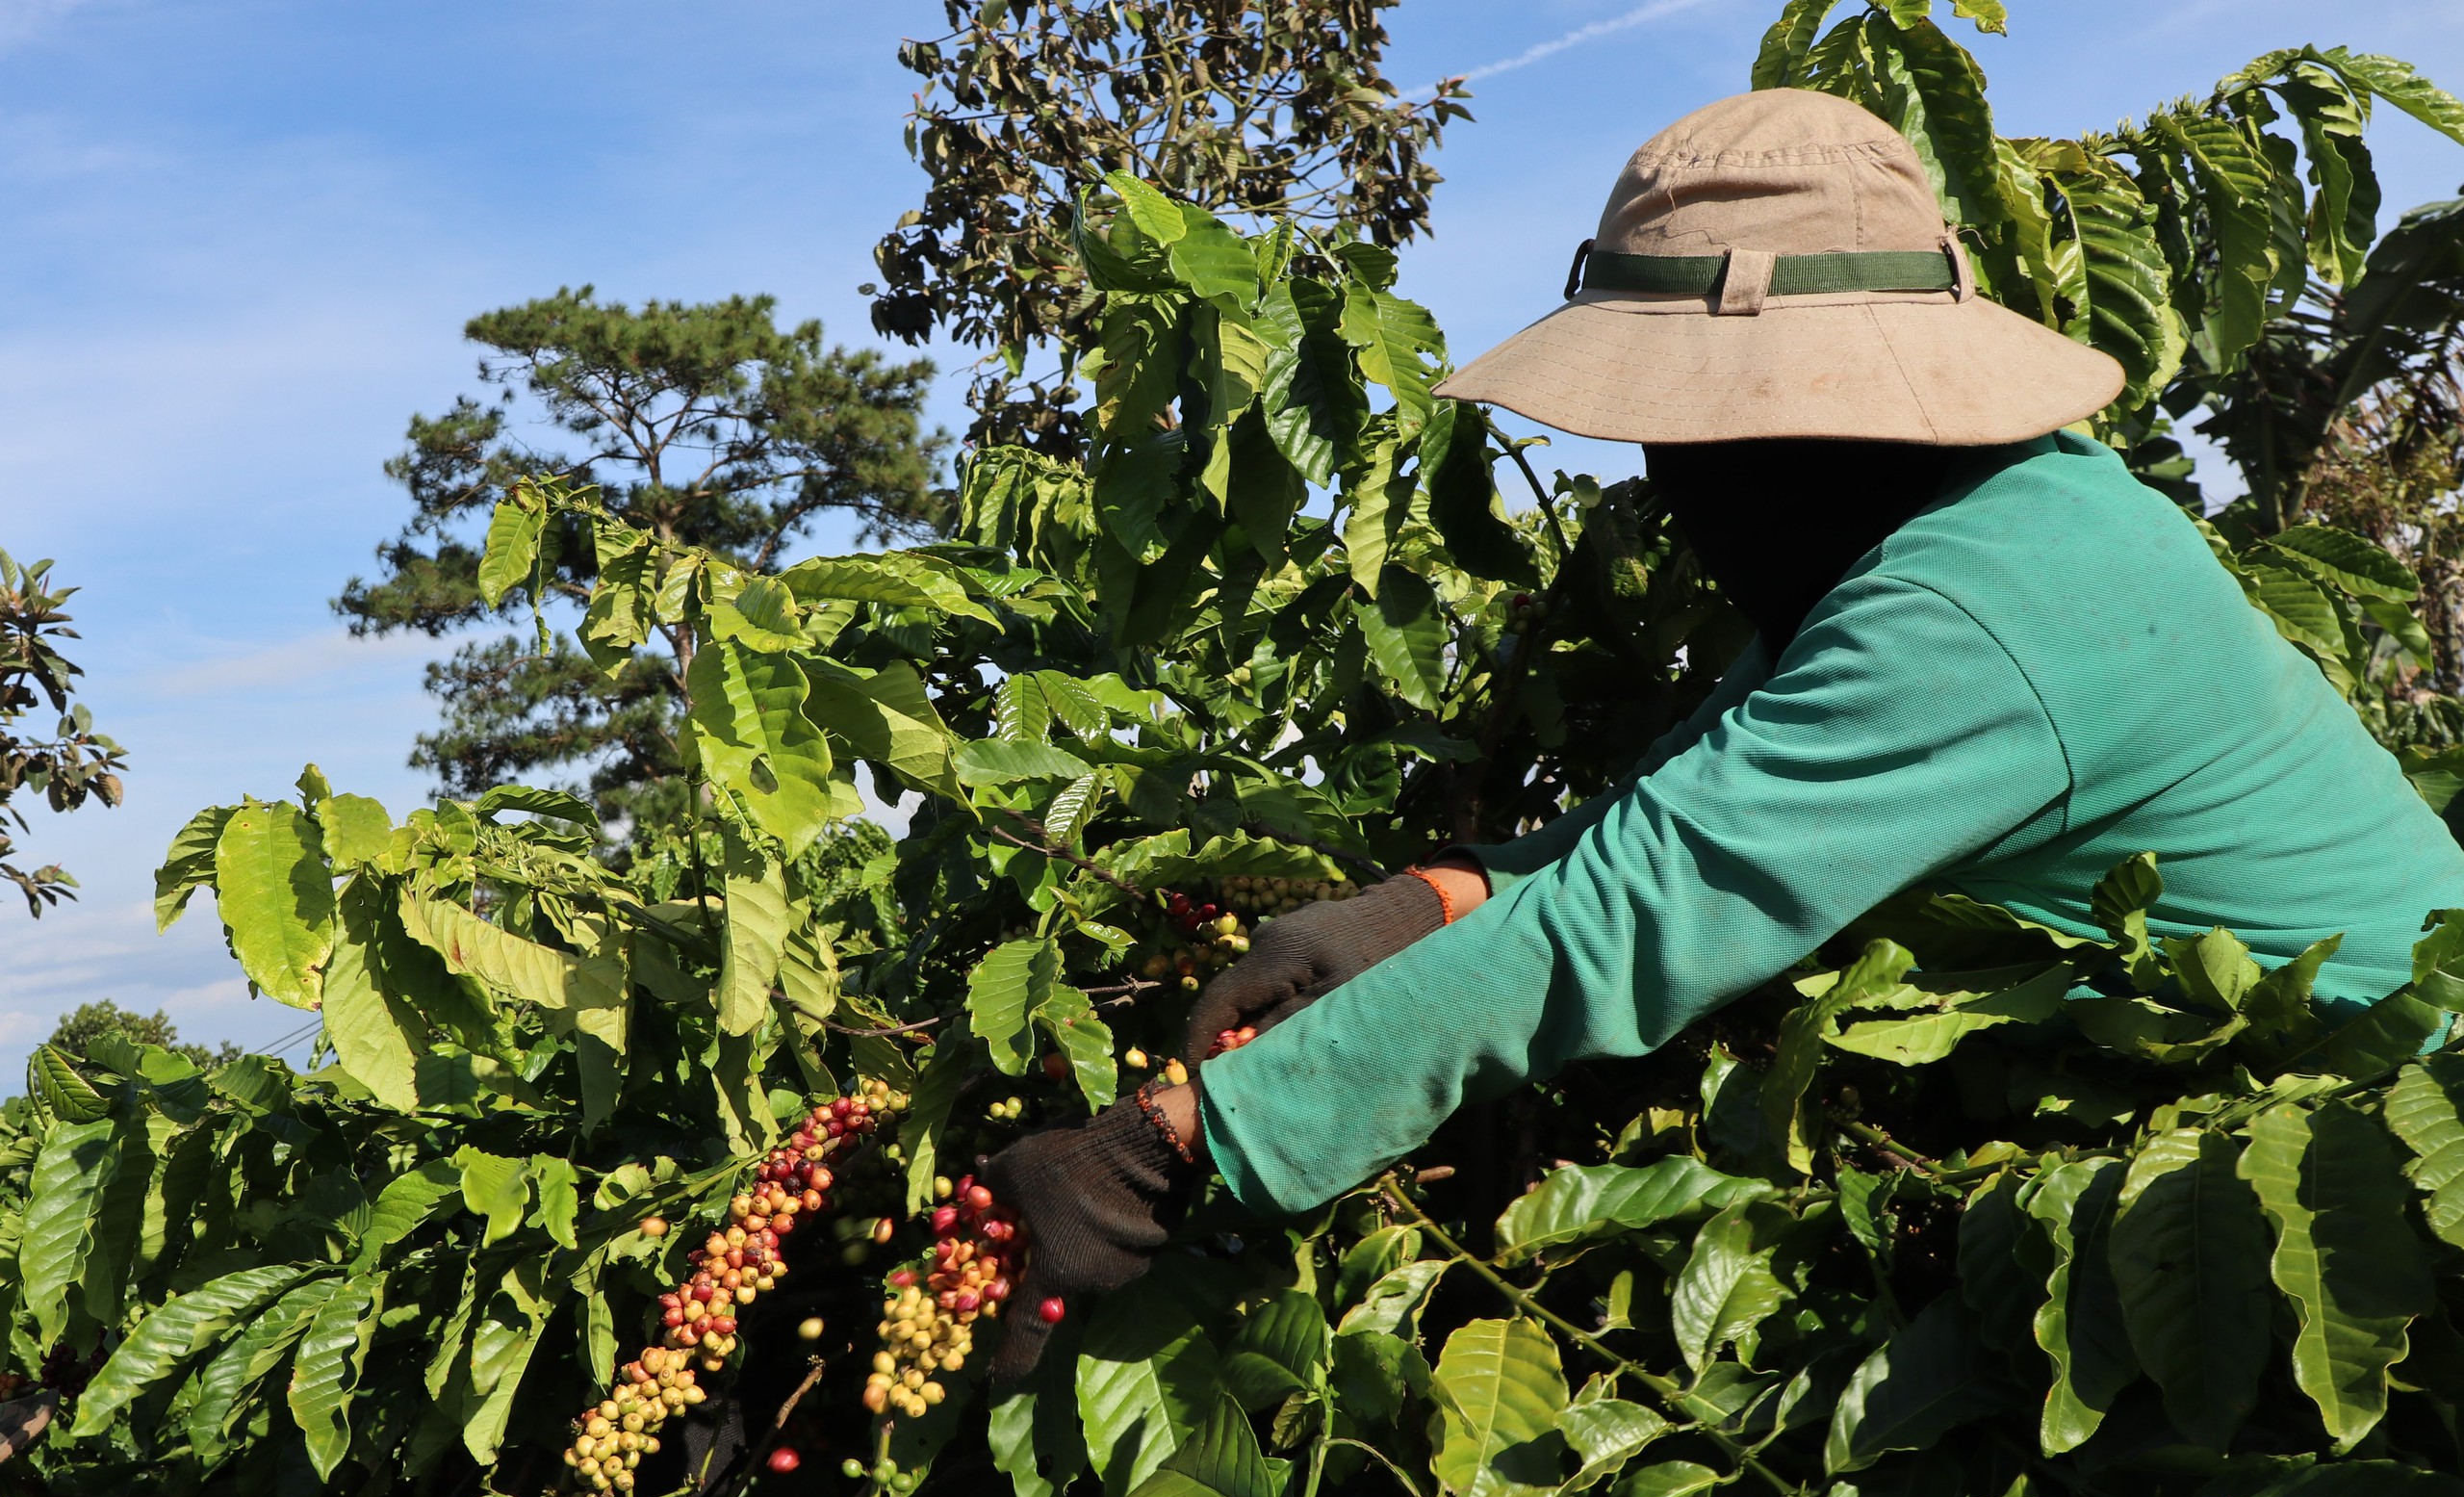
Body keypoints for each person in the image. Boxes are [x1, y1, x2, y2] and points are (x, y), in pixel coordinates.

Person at [982, 89, 2464, 1381]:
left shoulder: (1972, 609)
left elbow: (1639, 914)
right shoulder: (1950, 514)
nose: (1673, 476)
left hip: (2385, 1148)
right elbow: (1680, 803)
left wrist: (1176, 1146)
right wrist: (1429, 901)